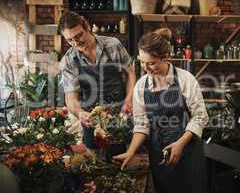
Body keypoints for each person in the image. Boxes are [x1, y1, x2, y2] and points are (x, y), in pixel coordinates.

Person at [113, 28, 209, 193]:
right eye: (142, 62)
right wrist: (130, 152)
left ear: (165, 58)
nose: (145, 68)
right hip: (159, 155)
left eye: (151, 63)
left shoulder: (186, 79)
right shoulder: (141, 86)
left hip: (187, 153)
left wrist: (180, 143)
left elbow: (200, 117)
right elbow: (142, 125)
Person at [59, 11, 136, 148]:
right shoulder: (69, 60)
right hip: (91, 118)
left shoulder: (112, 45)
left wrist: (129, 100)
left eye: (78, 36)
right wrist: (79, 112)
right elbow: (70, 98)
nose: (76, 43)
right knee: (95, 162)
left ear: (87, 27)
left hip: (120, 114)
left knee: (121, 158)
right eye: (70, 40)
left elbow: (130, 73)